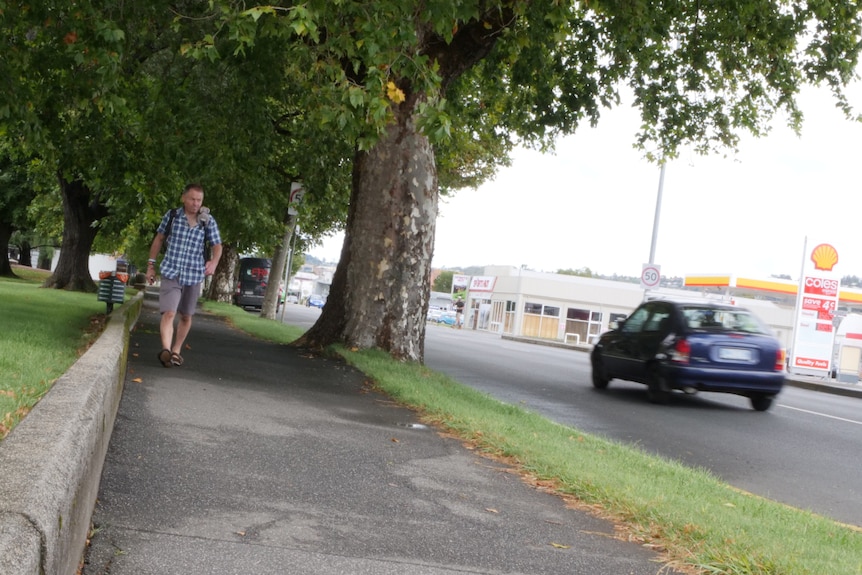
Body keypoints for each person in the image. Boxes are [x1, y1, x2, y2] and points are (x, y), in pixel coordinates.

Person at [145, 183, 223, 367]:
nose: (196, 203)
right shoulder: (172, 216)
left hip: (194, 275)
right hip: (171, 271)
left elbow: (217, 246)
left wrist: (213, 262)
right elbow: (159, 239)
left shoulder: (207, 221)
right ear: (184, 198)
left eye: (199, 200)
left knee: (186, 315)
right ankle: (165, 350)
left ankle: (176, 351)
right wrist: (150, 266)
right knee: (169, 312)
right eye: (192, 199)